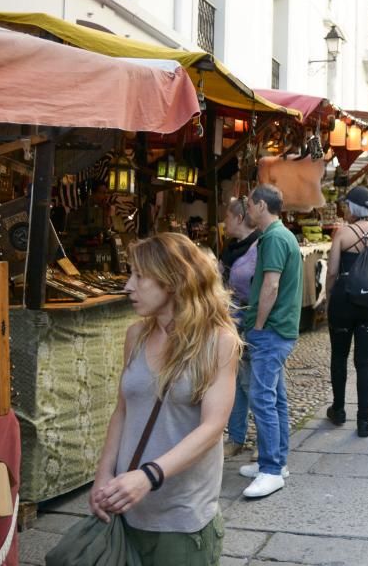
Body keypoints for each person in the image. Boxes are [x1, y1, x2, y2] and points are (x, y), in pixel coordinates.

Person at [90, 233, 239, 564]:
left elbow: (213, 427)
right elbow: (123, 410)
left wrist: (148, 476)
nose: (128, 286)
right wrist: (103, 475)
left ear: (172, 281)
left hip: (181, 517)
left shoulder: (218, 342)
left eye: (139, 276)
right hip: (127, 509)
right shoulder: (135, 335)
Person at [239, 184, 302, 498]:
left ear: (261, 205)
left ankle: (271, 469)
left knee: (263, 399)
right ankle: (276, 461)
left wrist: (259, 325)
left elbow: (271, 285)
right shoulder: (281, 235)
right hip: (279, 328)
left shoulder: (275, 237)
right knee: (274, 399)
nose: (247, 210)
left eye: (249, 204)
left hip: (272, 330)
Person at [324, 186, 368, 438]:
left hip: (343, 302)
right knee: (365, 362)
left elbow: (331, 272)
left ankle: (339, 409)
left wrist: (329, 297)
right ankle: (363, 421)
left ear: (351, 208)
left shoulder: (342, 234)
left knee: (339, 357)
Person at [219, 197, 260, 458]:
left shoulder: (259, 246)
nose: (224, 222)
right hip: (230, 320)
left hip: (251, 320)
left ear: (239, 218)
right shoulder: (230, 247)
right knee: (233, 380)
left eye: (227, 217)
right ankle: (236, 437)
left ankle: (265, 440)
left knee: (251, 381)